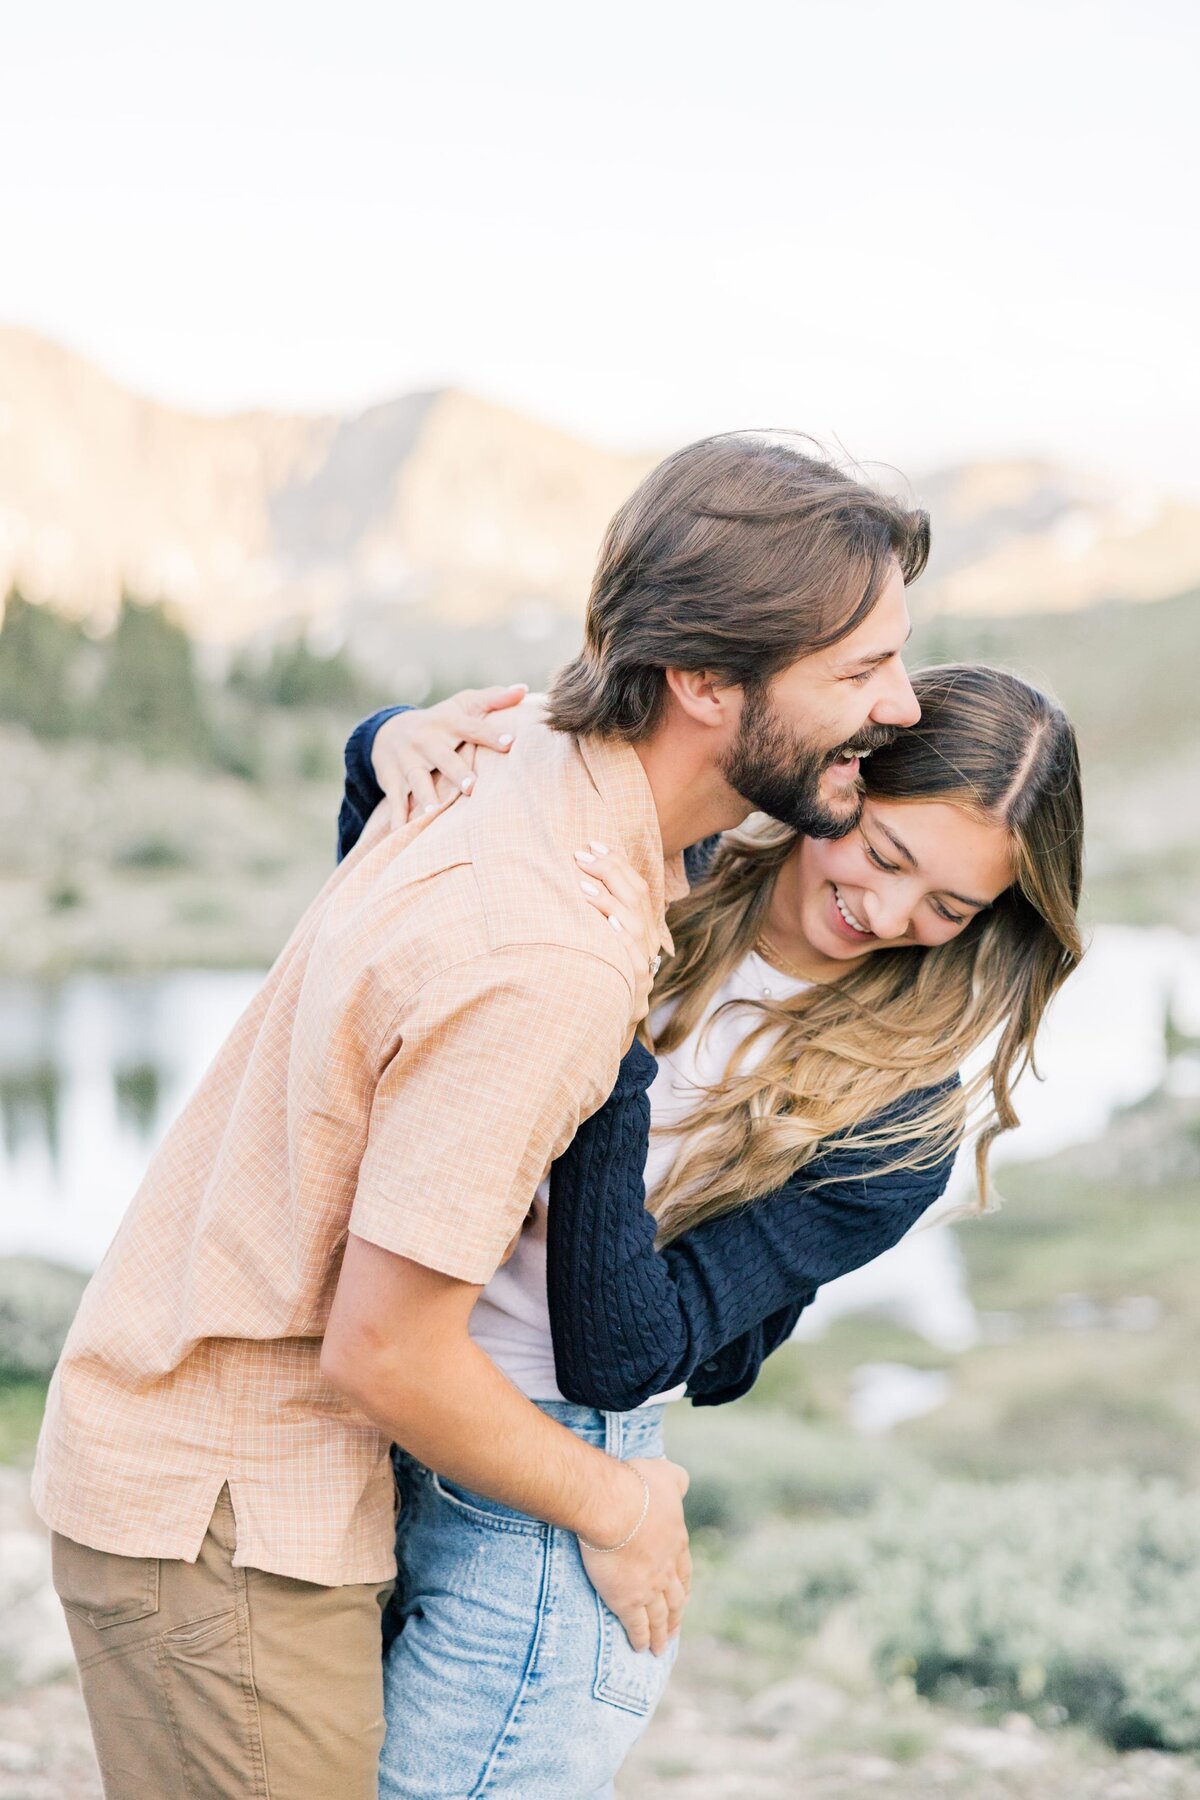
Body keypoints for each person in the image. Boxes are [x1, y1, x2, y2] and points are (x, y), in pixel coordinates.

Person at [33, 432, 928, 1799]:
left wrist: (377, 741)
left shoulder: (506, 749)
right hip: (234, 1518)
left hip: (199, 1473)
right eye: (862, 669)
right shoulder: (555, 958)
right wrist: (618, 1505)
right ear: (703, 677)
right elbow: (389, 1356)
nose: (904, 705)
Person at [337, 660, 1083, 1797]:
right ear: (837, 783)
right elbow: (383, 967)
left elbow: (627, 1351)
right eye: (884, 855)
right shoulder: (659, 855)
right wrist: (381, 751)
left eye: (949, 909)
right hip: (364, 1419)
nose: (887, 916)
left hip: (541, 1520)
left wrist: (608, 1024)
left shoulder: (898, 1122)